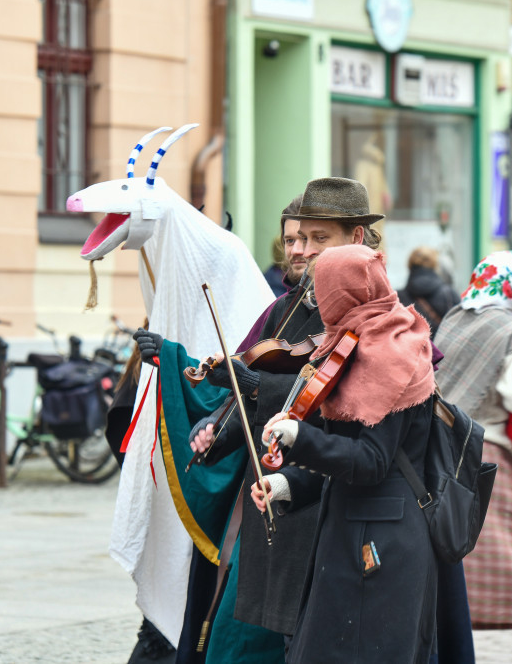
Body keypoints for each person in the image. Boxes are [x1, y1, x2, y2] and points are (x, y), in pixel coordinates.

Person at [155, 178, 385, 663]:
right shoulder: (289, 308)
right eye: (298, 239)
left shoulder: (380, 316)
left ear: (357, 238)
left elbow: (341, 404)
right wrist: (219, 428)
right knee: (247, 634)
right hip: (277, 491)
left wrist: (254, 387)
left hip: (336, 501)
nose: (303, 251)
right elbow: (262, 381)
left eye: (319, 239)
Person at [246, 243, 438, 662]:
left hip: (382, 542)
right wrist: (286, 484)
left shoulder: (389, 354)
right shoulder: (359, 343)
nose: (316, 300)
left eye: (322, 289)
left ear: (343, 291)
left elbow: (370, 462)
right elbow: (342, 456)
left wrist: (299, 436)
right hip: (354, 532)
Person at [433, 251, 512, 651]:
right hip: (487, 455)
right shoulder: (511, 329)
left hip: (439, 451)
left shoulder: (454, 317)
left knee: (447, 566)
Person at [398, 246, 459, 335]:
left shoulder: (397, 298)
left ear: (409, 265)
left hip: (413, 348)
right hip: (440, 348)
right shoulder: (449, 294)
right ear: (435, 265)